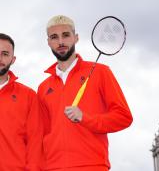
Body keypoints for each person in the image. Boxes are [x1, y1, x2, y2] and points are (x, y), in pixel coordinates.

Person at [38, 15, 133, 171]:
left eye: (66, 35)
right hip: (53, 168)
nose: (61, 42)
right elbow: (41, 134)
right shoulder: (43, 87)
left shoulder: (101, 72)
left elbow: (124, 117)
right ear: (48, 42)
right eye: (54, 37)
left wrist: (85, 118)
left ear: (76, 38)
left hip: (92, 166)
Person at [0, 33, 43, 171]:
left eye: (5, 54)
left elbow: (35, 141)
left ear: (13, 59)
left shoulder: (28, 96)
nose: (0, 58)